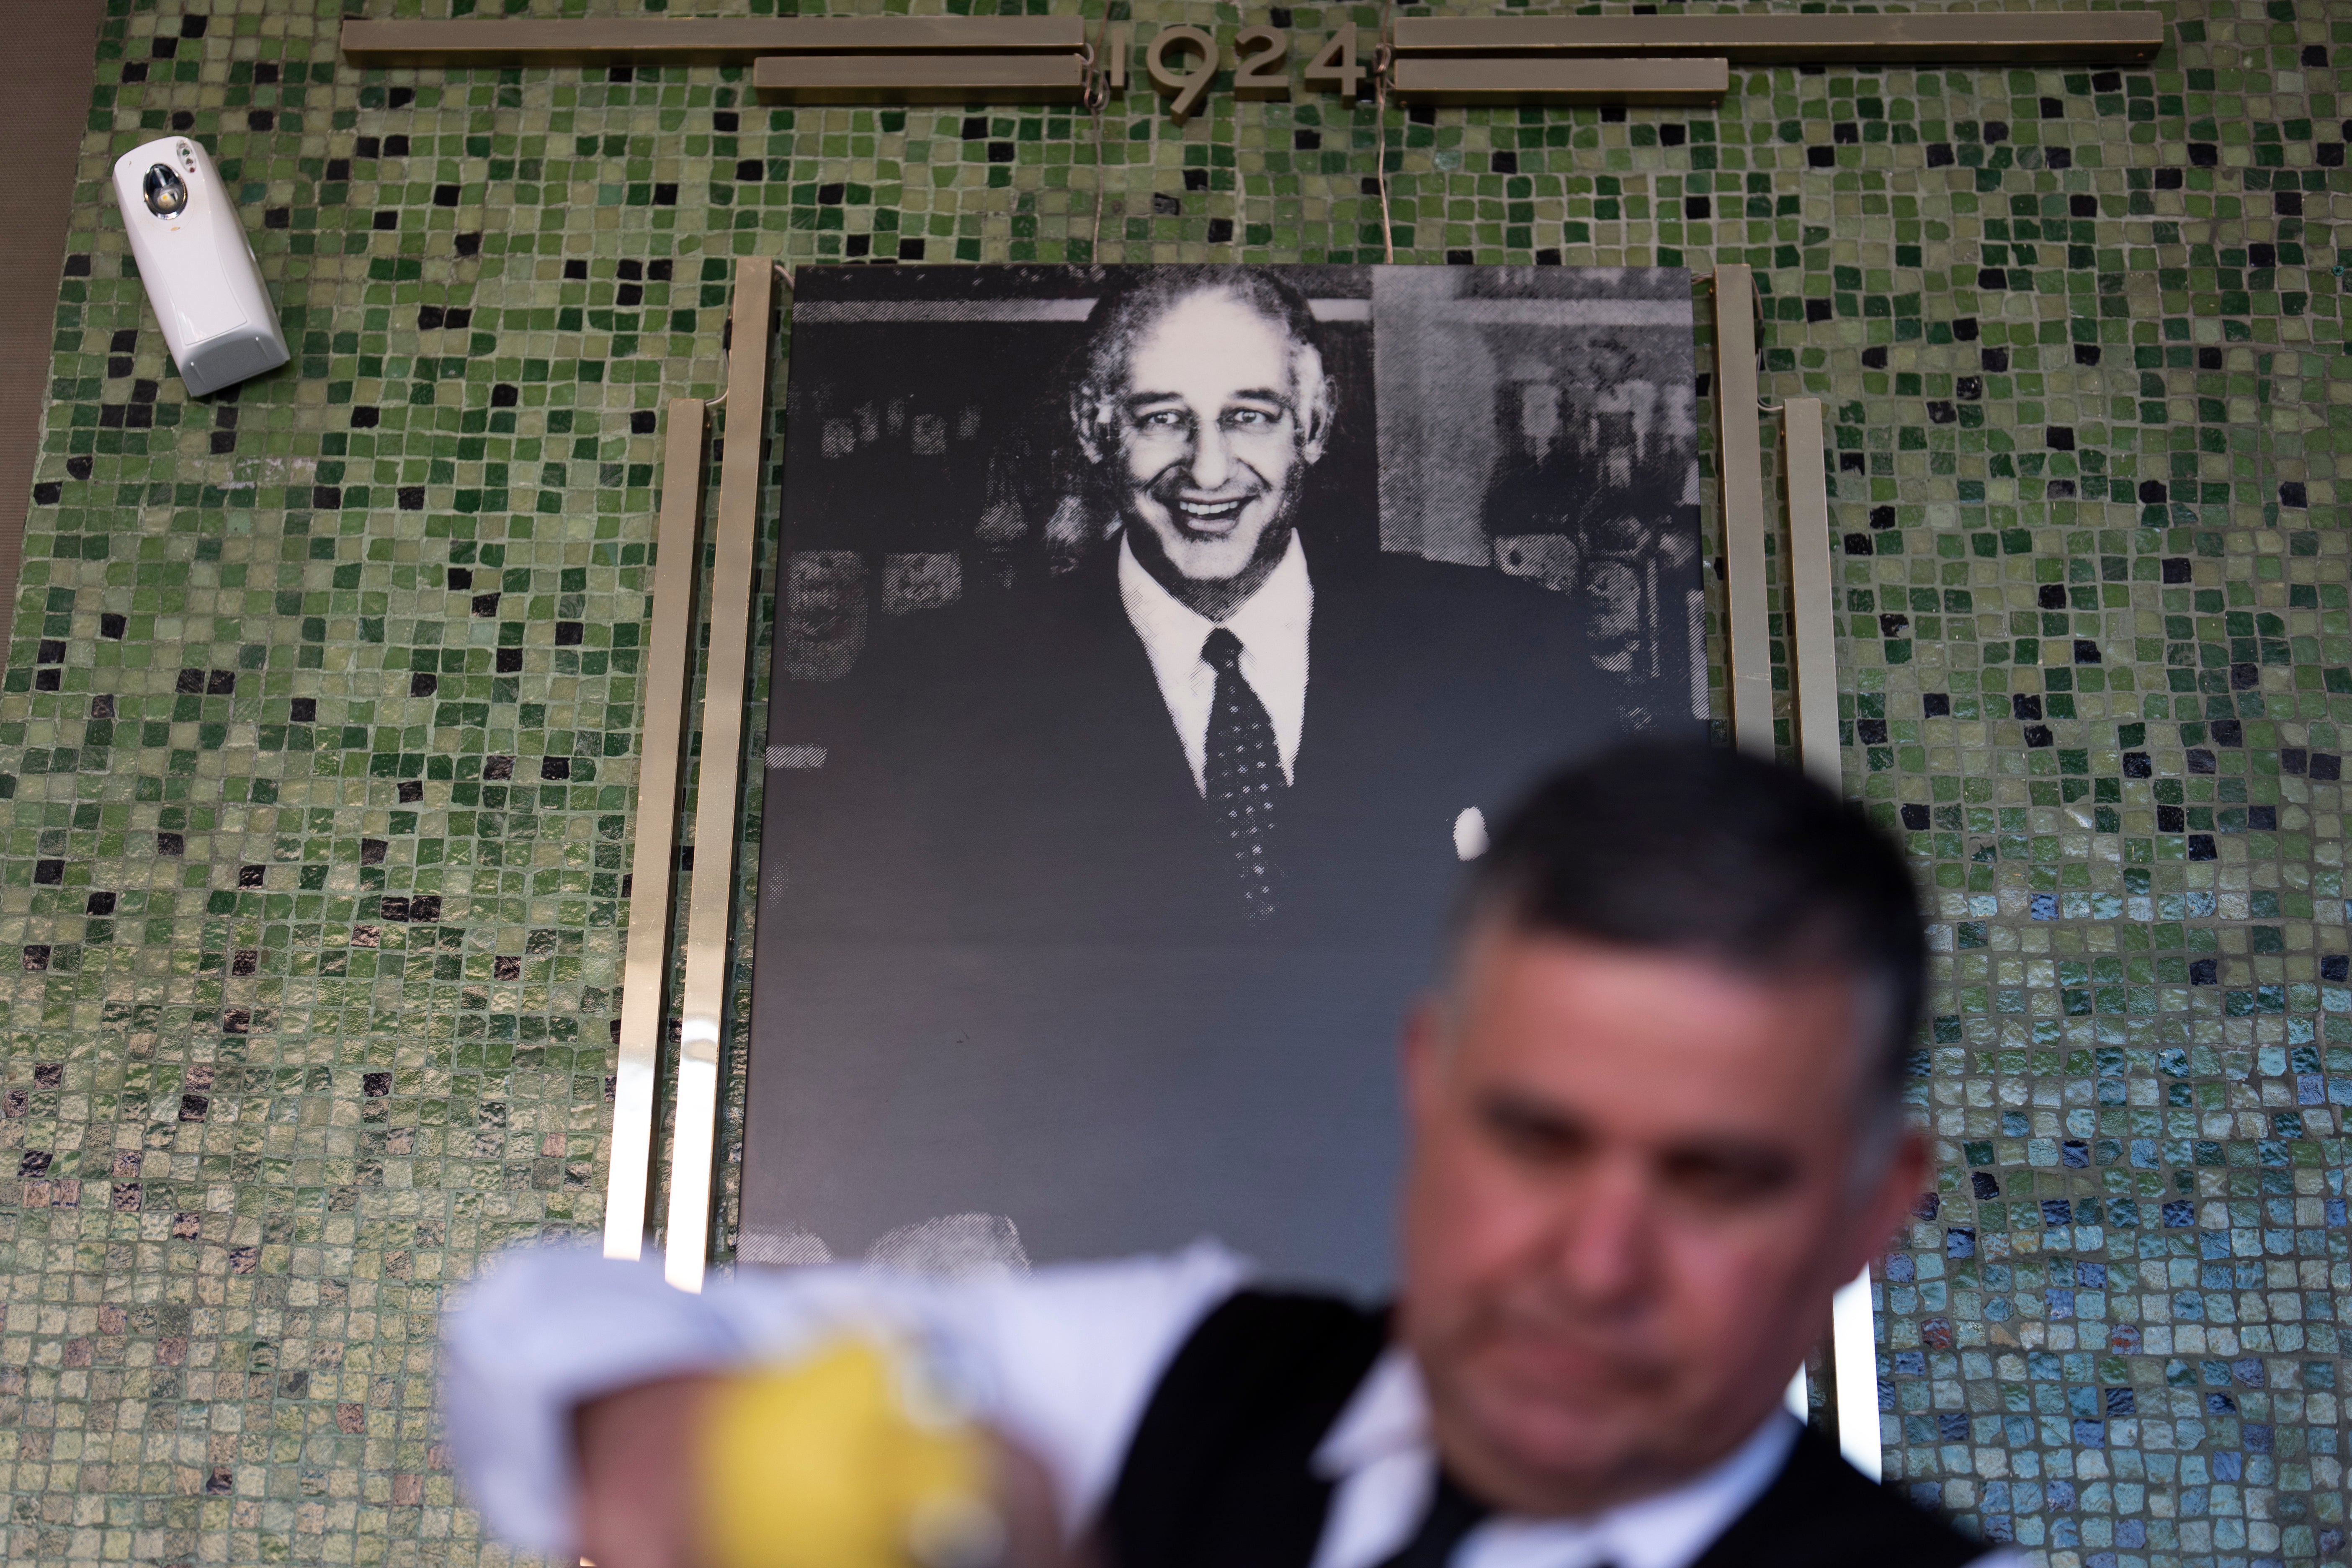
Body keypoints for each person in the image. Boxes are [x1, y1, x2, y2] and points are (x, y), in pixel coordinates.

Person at [448, 743, 2017, 1568]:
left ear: (1864, 1211)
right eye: (1533, 1137)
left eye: (1712, 1177)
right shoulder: (1167, 1371)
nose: (1593, 1261)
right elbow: (544, 1327)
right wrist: (714, 1464)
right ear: (1427, 1080)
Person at [739, 268, 1659, 1278]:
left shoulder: (1508, 646)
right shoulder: (931, 683)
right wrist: (926, 1210)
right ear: (1097, 430)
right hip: (1085, 1283)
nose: (1208, 468)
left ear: (1311, 423)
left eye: (1251, 417)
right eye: (1162, 420)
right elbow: (848, 984)